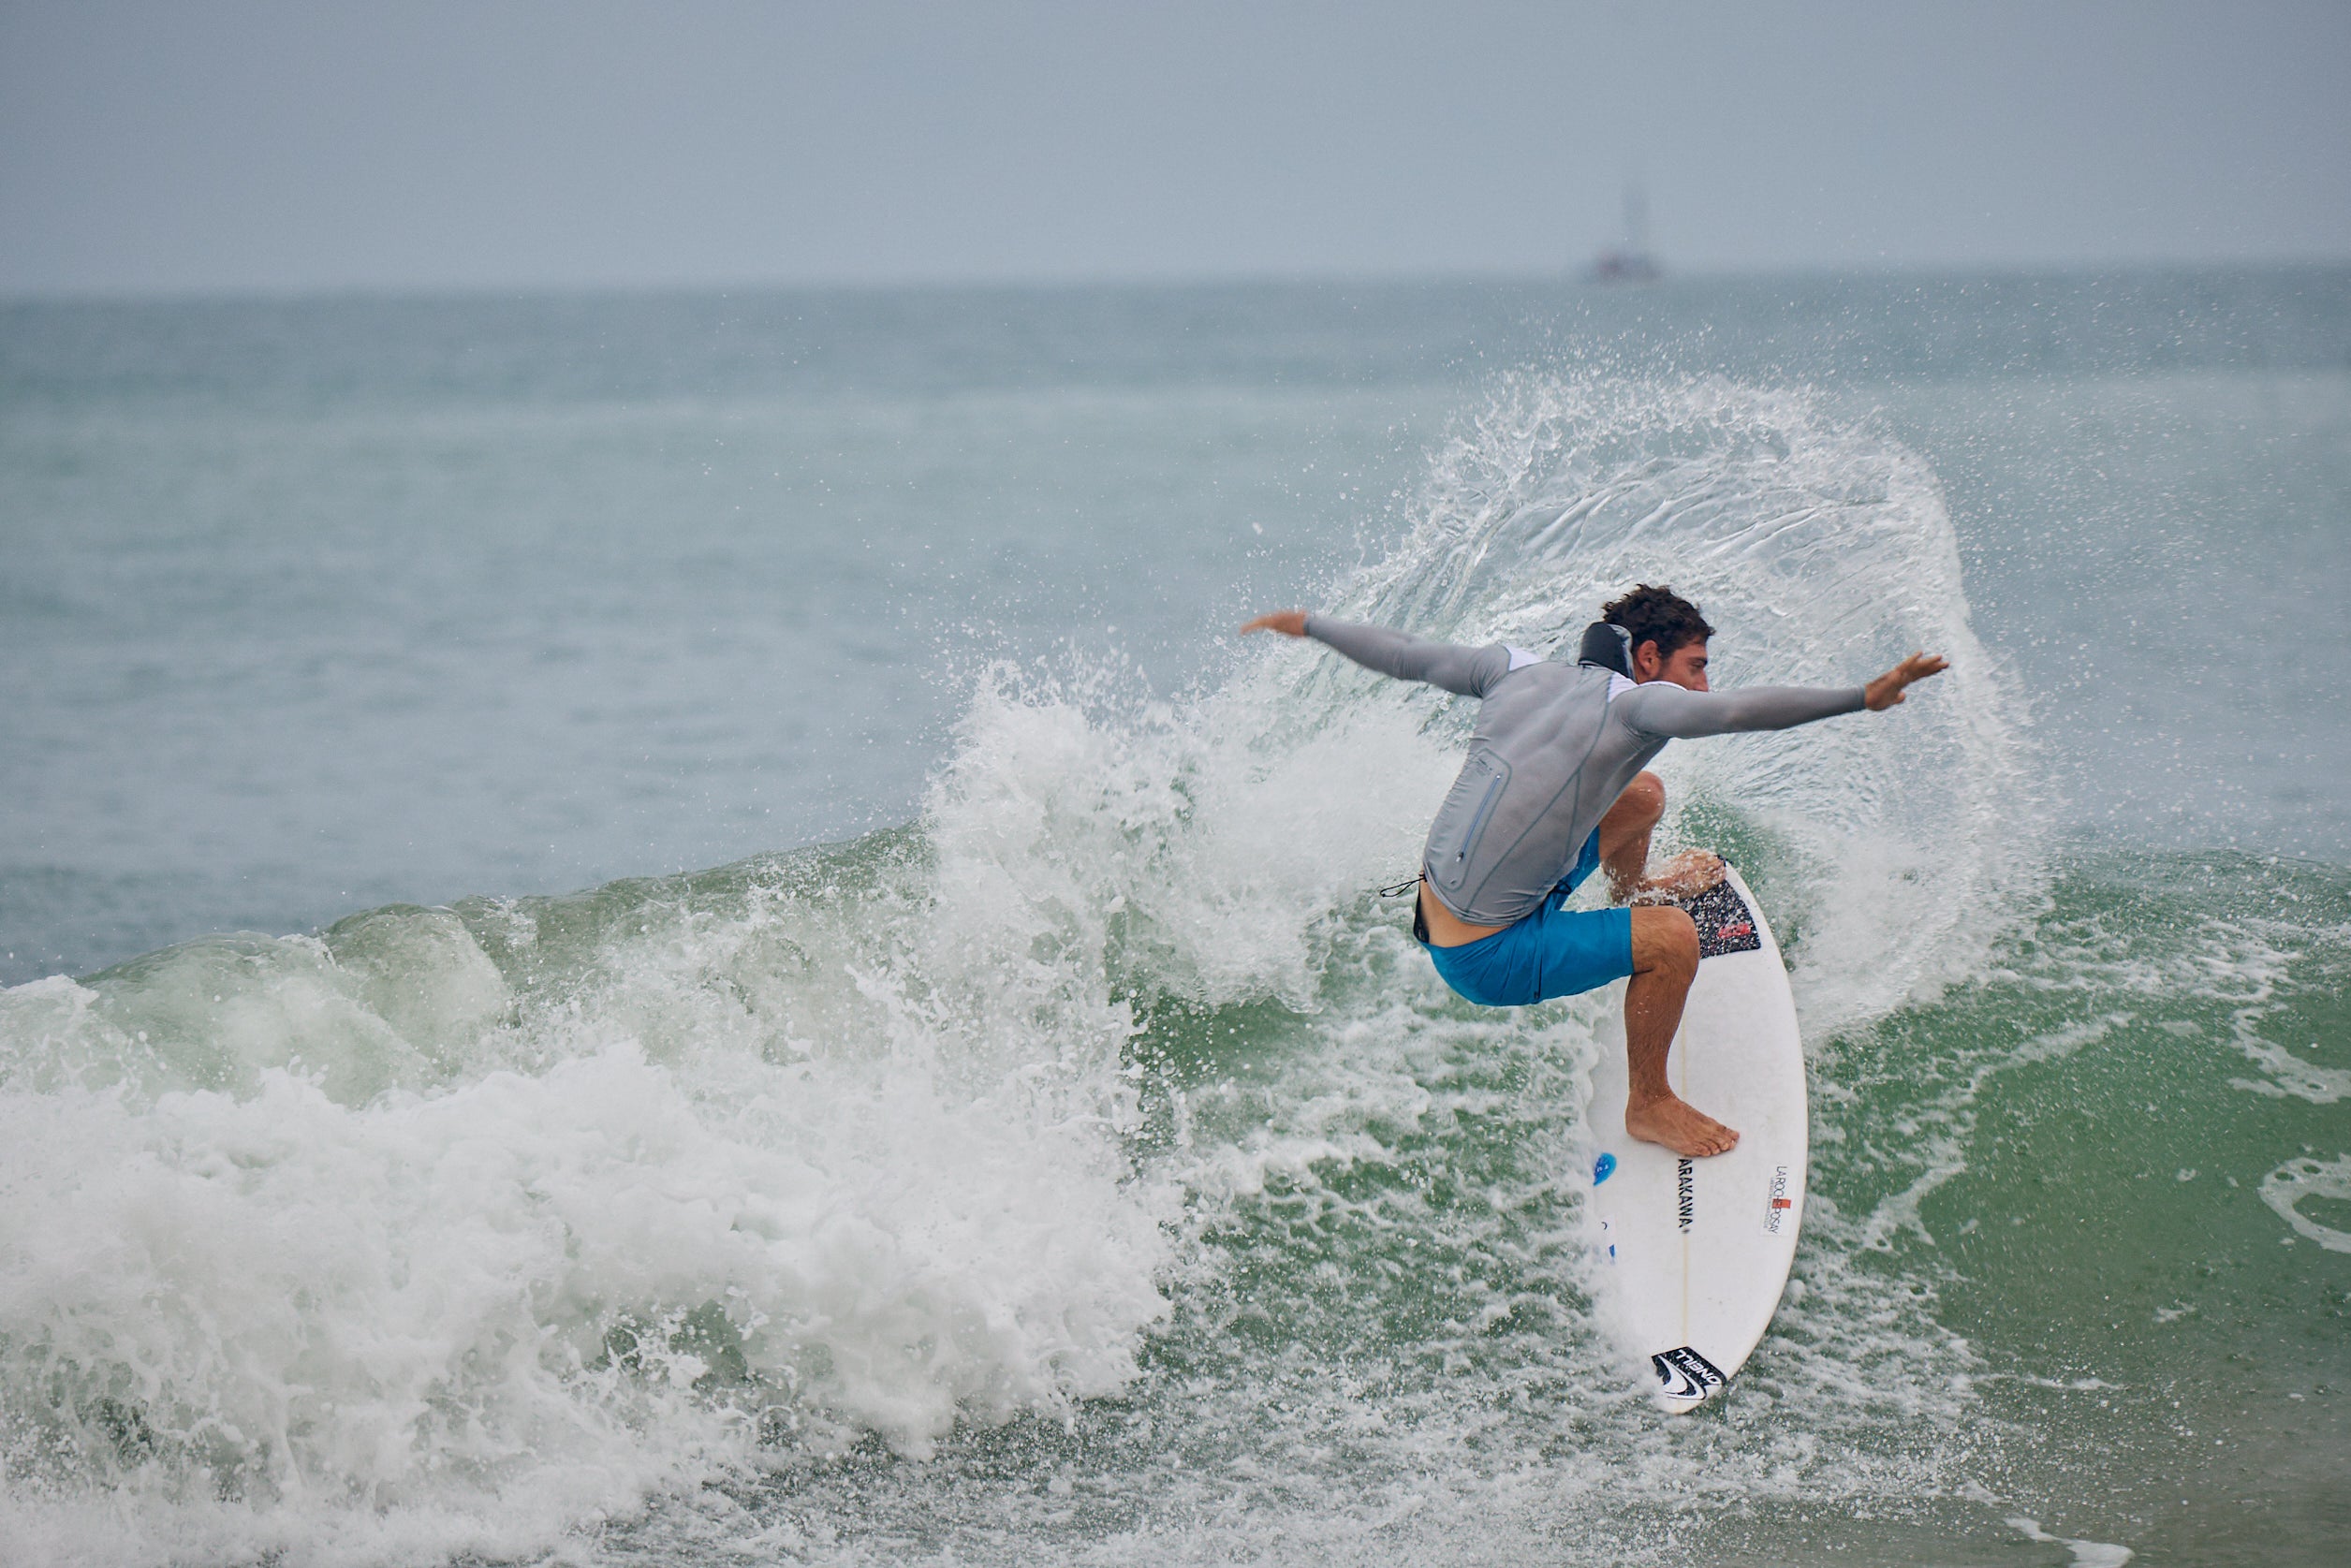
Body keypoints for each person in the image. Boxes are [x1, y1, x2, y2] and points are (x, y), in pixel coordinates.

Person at [1241, 584, 1946, 1159]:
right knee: (1672, 938)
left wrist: (1311, 622)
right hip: (1486, 953)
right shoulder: (1639, 707)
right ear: (1645, 658)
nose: (1701, 686)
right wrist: (1863, 695)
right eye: (1694, 666)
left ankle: (1629, 892)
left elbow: (1407, 655)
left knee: (1643, 796)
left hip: (1445, 905)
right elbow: (1736, 713)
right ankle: (1650, 1102)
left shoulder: (1514, 669)